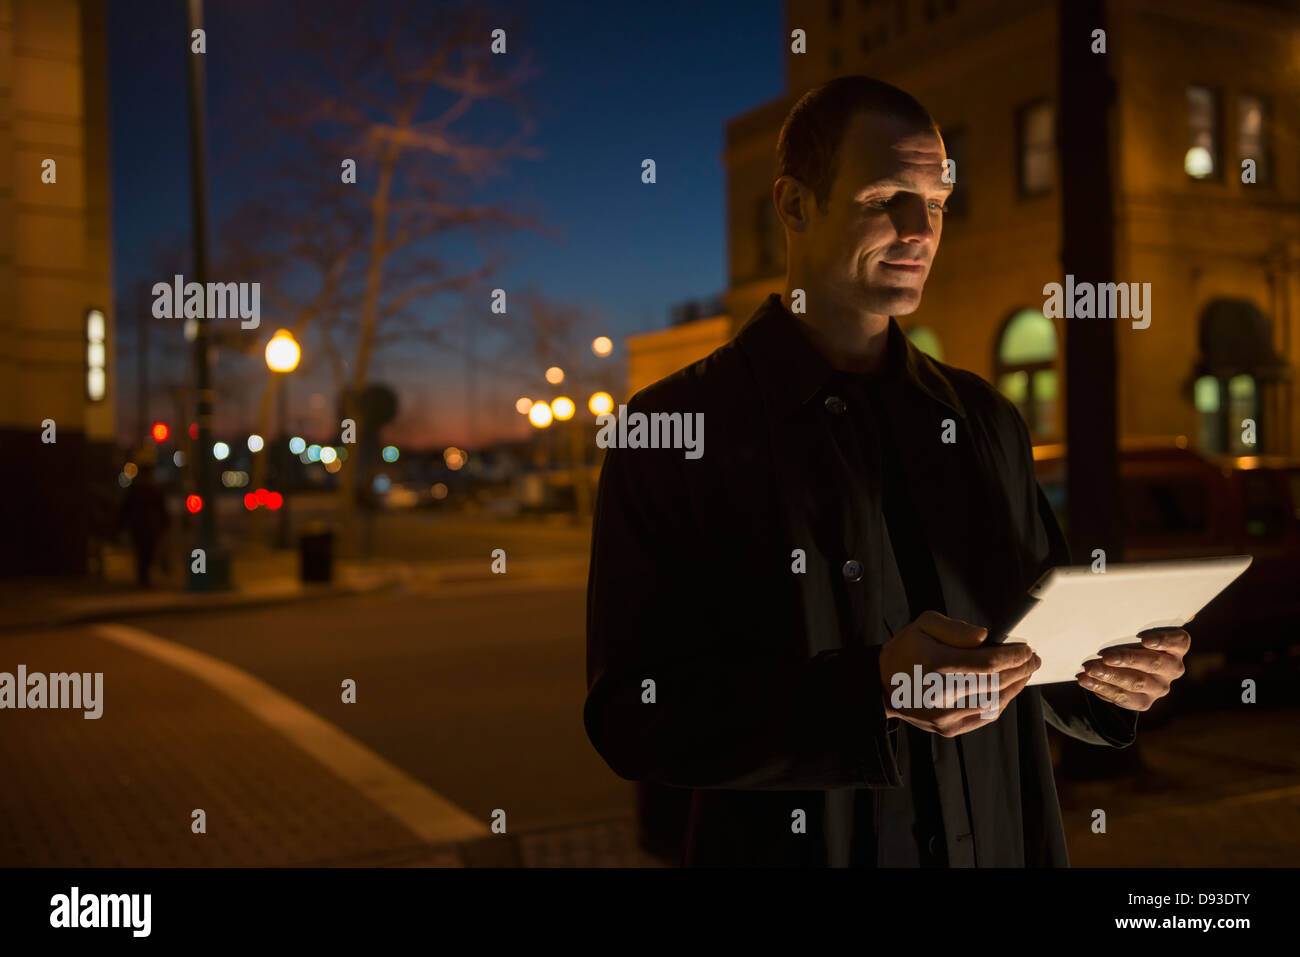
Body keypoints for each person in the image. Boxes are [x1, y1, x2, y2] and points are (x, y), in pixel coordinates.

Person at [582, 76, 1190, 867]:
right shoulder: (671, 434)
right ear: (795, 206)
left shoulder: (985, 420)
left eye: (936, 201)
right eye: (886, 198)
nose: (920, 230)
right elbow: (634, 714)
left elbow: (1037, 645)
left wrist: (1112, 676)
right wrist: (872, 689)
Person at [119, 460, 170, 588]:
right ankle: (143, 577)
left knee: (144, 553)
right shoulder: (150, 490)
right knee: (145, 553)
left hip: (142, 526)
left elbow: (125, 509)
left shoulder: (139, 490)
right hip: (147, 526)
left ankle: (143, 577)